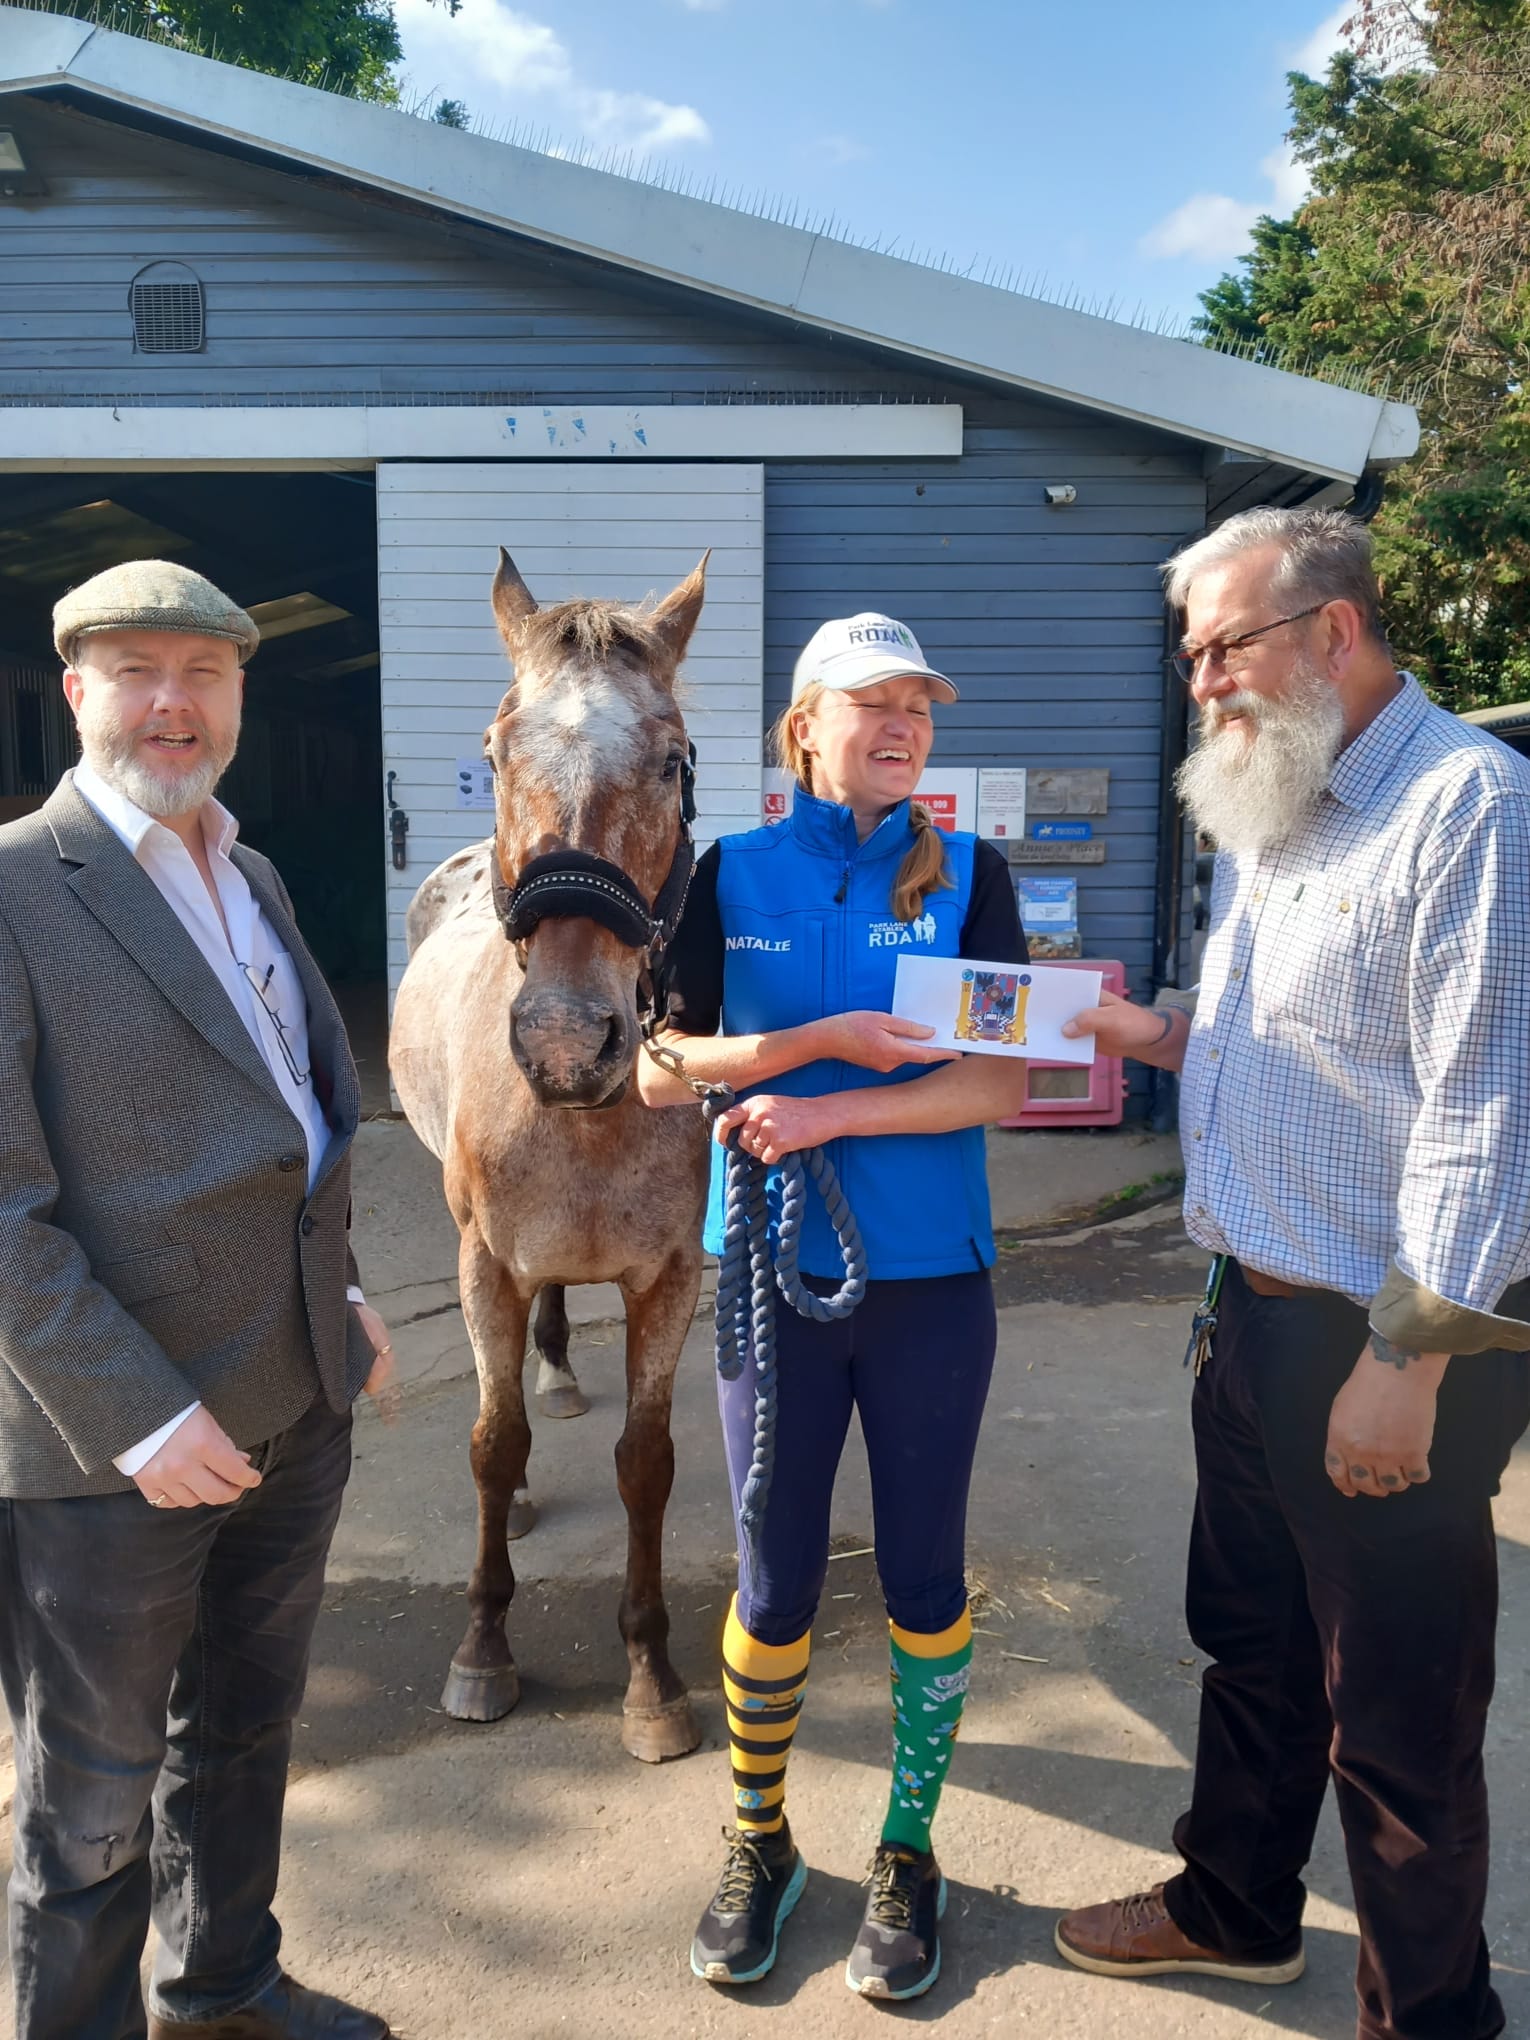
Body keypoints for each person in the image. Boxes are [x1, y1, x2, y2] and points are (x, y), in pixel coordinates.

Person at [1053, 507, 1530, 2040]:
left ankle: (1431, 2020)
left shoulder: (1468, 807)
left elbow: (1486, 1108)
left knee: (1394, 1729)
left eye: (1223, 647)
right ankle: (1234, 1907)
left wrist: (1404, 1363)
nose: (1199, 681)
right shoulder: (1279, 797)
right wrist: (1151, 1032)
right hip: (1250, 1322)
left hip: (1389, 1347)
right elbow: (1294, 1041)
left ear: (1332, 628)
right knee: (1249, 1650)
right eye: (1188, 653)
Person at [0, 561, 397, 2040]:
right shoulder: (15, 890)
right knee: (90, 1802)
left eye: (206, 672)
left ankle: (220, 1983)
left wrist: (339, 1289)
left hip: (296, 1395)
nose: (174, 703)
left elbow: (293, 1119)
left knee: (241, 1732)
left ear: (239, 694)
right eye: (137, 670)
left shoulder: (252, 872)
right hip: (115, 1449)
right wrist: (140, 1418)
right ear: (76, 692)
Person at [639, 612, 1030, 2001]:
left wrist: (829, 1113)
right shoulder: (727, 871)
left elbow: (1000, 1081)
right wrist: (805, 1049)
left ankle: (907, 1850)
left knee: (923, 1572)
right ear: (804, 727)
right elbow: (658, 1066)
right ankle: (761, 1841)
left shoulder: (970, 877)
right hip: (767, 1272)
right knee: (775, 1573)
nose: (905, 725)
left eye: (919, 706)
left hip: (930, 1284)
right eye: (876, 703)